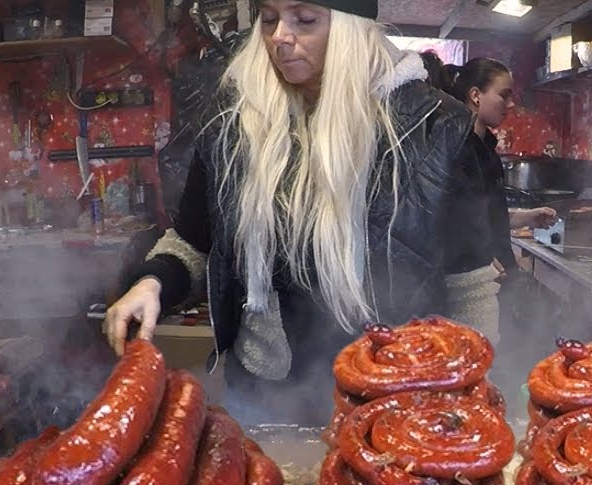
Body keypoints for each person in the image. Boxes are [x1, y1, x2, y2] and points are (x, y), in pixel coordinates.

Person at [103, 0, 473, 425]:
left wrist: (470, 397)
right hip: (264, 394)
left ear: (352, 28)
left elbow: (470, 283)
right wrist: (153, 283)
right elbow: (194, 240)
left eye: (305, 19)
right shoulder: (234, 124)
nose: (279, 36)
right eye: (269, 19)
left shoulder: (437, 128)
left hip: (397, 398)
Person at [430, 57, 557, 344]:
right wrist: (482, 257)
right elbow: (446, 219)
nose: (511, 105)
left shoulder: (486, 148)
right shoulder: (456, 148)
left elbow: (484, 215)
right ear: (476, 95)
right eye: (504, 95)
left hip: (496, 279)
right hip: (471, 282)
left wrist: (526, 217)